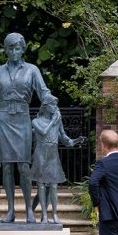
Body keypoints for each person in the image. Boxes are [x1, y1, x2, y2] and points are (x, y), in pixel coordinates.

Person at [0, 32, 50, 223]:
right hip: (3, 119)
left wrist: (51, 100)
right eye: (10, 48)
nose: (14, 51)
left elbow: (43, 92)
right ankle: (10, 210)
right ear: (6, 50)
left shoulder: (32, 70)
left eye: (17, 48)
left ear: (23, 49)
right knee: (7, 167)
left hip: (22, 119)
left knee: (24, 166)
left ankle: (28, 209)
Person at [29, 94, 86, 224]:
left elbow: (65, 139)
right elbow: (43, 132)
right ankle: (44, 215)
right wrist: (53, 122)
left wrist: (76, 140)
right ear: (45, 106)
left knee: (53, 185)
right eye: (53, 105)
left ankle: (54, 213)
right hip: (41, 153)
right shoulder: (36, 121)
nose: (55, 107)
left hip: (53, 153)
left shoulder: (57, 121)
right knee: (41, 185)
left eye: (56, 105)